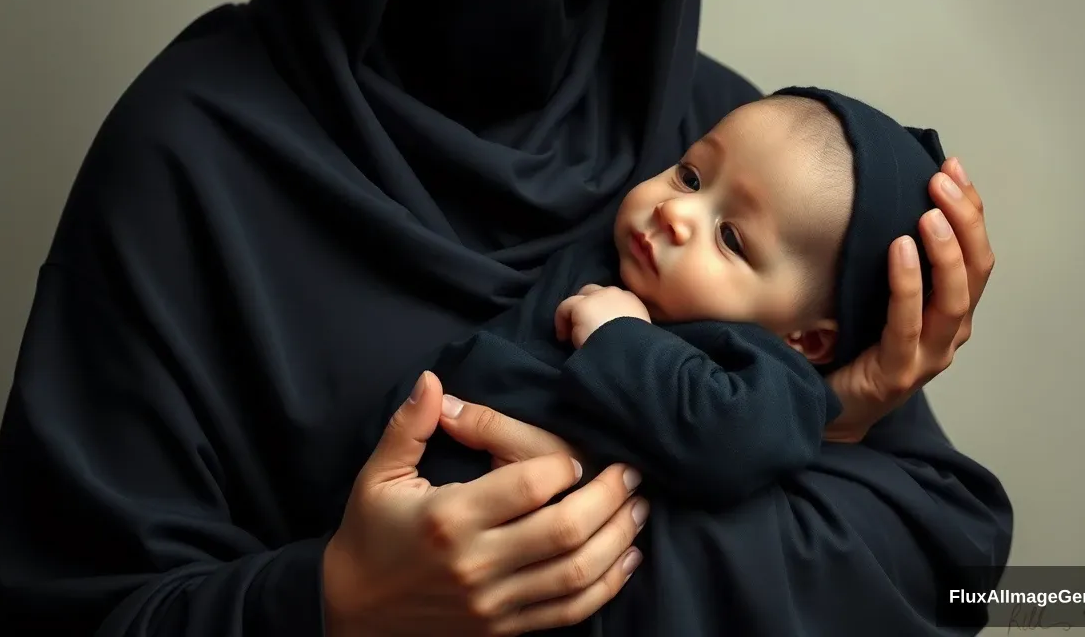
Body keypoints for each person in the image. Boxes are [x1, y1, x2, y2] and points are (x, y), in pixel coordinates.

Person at [0, 0, 1008, 636]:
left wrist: (835, 417)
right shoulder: (192, 159)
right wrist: (331, 604)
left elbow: (948, 564)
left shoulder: (724, 134)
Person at [371, 86, 1009, 636]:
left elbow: (735, 440)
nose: (676, 213)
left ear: (806, 341)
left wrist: (619, 336)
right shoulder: (622, 254)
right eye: (691, 175)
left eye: (731, 238)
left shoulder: (764, 369)